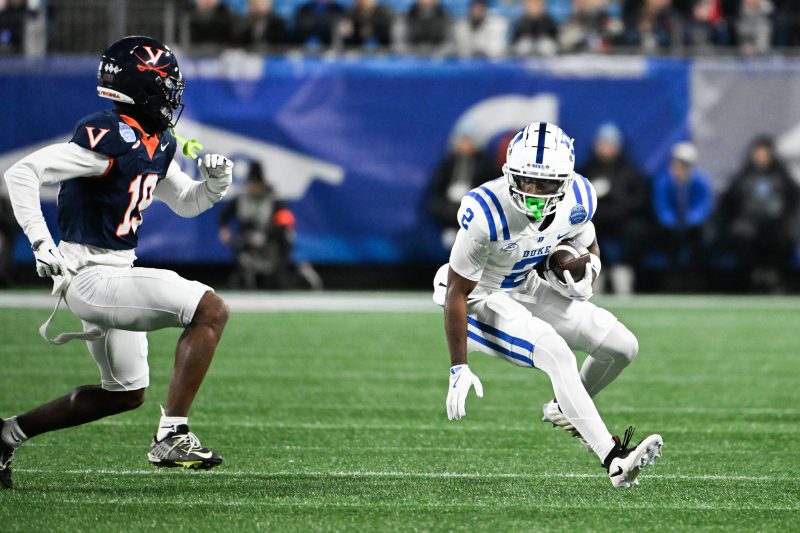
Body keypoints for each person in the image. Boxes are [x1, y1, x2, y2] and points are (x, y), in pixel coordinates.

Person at [0, 36, 234, 490]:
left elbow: (187, 202)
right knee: (211, 310)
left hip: (113, 275)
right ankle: (172, 435)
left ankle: (8, 434)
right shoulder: (109, 137)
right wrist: (41, 243)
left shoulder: (156, 140)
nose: (173, 97)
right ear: (143, 88)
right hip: (90, 276)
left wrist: (216, 183)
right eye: (166, 87)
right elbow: (21, 172)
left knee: (125, 394)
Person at [432, 122, 663, 489]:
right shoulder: (486, 211)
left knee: (622, 345)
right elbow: (457, 293)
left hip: (525, 284)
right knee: (555, 352)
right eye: (526, 180)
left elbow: (588, 243)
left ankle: (562, 407)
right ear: (509, 173)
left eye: (545, 184)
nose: (534, 193)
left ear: (565, 181)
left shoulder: (579, 198)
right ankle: (614, 459)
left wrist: (587, 273)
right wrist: (458, 367)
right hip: (479, 299)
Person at [578, 123, 648, 295]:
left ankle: (623, 278)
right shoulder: (586, 171)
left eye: (610, 144)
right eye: (603, 144)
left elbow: (639, 199)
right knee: (584, 233)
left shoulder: (629, 172)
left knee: (634, 233)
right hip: (596, 222)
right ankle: (592, 277)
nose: (606, 148)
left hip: (623, 222)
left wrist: (618, 209)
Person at [721, 136, 799, 291]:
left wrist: (783, 216)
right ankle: (754, 274)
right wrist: (738, 216)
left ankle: (772, 275)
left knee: (781, 237)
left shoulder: (781, 176)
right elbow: (729, 200)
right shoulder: (744, 176)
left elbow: (793, 197)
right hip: (749, 222)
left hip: (775, 224)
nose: (761, 157)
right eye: (758, 154)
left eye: (764, 154)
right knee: (740, 235)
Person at [219, 161, 299, 289]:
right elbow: (224, 214)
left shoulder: (274, 200)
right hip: (247, 237)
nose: (253, 188)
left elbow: (285, 221)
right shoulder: (241, 198)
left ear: (262, 184)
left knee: (286, 238)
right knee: (239, 243)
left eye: (256, 185)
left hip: (270, 237)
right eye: (251, 184)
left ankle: (280, 275)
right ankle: (243, 276)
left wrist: (265, 236)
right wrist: (224, 228)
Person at [651, 142, 714, 276]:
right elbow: (662, 205)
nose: (680, 168)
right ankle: (672, 274)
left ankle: (697, 274)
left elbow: (704, 204)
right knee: (667, 238)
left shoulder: (701, 181)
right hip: (672, 224)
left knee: (701, 236)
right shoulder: (664, 181)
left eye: (684, 164)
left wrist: (692, 219)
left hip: (692, 225)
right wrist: (671, 221)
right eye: (677, 163)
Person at [428, 132, 495, 250]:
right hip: (449, 203)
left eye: (468, 142)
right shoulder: (449, 163)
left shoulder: (484, 165)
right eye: (463, 142)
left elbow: (489, 186)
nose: (465, 145)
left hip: (473, 201)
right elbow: (438, 185)